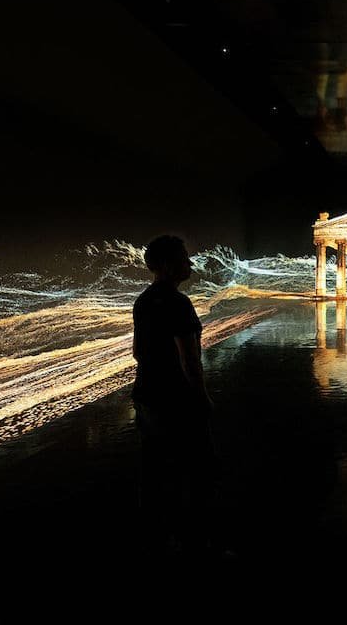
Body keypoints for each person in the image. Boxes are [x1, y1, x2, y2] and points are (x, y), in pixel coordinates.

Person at [131, 234, 216, 557]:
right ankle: (198, 545)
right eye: (184, 257)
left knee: (154, 473)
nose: (190, 263)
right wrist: (202, 398)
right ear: (167, 266)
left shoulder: (142, 301)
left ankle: (155, 541)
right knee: (199, 473)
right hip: (179, 401)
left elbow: (138, 352)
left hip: (147, 396)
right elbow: (189, 359)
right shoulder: (179, 304)